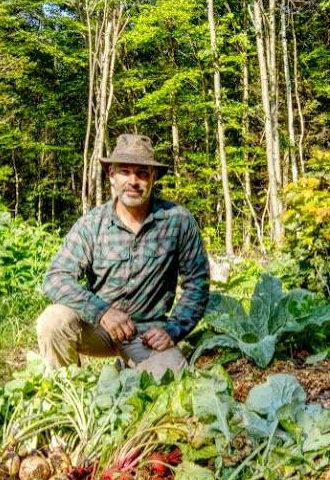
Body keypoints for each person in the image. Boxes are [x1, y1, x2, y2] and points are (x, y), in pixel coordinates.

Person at [37, 134, 209, 379]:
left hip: (148, 334)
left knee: (173, 384)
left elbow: (197, 283)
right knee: (52, 321)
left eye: (142, 173)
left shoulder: (177, 221)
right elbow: (55, 278)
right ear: (111, 176)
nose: (133, 181)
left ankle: (129, 368)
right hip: (98, 328)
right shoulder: (92, 224)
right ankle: (66, 389)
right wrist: (102, 312)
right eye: (125, 172)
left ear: (153, 178)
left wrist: (173, 330)